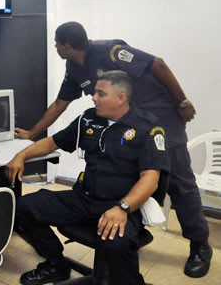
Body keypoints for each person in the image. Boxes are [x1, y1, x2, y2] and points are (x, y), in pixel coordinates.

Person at [15, 22, 212, 278]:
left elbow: (159, 65)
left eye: (56, 43)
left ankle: (199, 245)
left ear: (66, 44)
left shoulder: (112, 52)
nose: (54, 47)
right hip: (119, 124)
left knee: (179, 185)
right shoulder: (74, 67)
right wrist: (33, 133)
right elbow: (60, 103)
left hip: (159, 118)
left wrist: (182, 102)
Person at [7, 71, 169, 285]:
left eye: (101, 94)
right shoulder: (88, 118)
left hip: (122, 205)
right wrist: (21, 155)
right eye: (94, 92)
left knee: (117, 242)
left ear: (121, 98)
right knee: (24, 207)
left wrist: (122, 208)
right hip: (86, 198)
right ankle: (56, 263)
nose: (93, 97)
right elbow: (53, 142)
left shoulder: (147, 127)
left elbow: (150, 179)